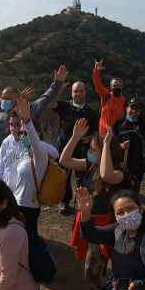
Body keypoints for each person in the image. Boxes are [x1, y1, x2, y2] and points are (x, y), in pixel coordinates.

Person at [60, 120, 129, 290]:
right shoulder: (92, 166)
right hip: (91, 224)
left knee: (93, 271)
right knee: (95, 269)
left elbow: (107, 176)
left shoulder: (119, 172)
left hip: (109, 230)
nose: (90, 152)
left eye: (93, 149)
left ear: (106, 151)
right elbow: (64, 160)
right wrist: (74, 137)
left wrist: (106, 143)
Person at [0, 97, 57, 237]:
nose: (21, 135)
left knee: (30, 239)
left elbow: (53, 152)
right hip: (15, 201)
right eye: (21, 132)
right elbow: (1, 166)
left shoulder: (39, 152)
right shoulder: (24, 152)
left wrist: (28, 121)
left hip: (29, 206)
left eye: (25, 132)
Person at [0, 65, 67, 173]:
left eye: (8, 98)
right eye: (3, 98)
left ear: (17, 97)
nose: (4, 101)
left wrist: (56, 84)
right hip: (0, 169)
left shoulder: (28, 111)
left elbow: (45, 99)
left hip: (23, 169)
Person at [50, 80, 99, 215]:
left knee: (83, 177)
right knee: (63, 176)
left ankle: (83, 202)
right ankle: (64, 202)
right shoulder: (65, 106)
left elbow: (96, 131)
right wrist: (59, 89)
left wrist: (89, 138)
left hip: (83, 149)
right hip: (65, 147)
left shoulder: (91, 112)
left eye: (81, 91)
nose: (78, 93)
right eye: (75, 91)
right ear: (71, 93)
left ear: (85, 93)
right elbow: (51, 103)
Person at [112, 98, 145, 183]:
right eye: (132, 108)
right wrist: (121, 145)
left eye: (137, 109)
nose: (134, 111)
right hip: (120, 163)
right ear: (126, 108)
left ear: (140, 111)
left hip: (138, 164)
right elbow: (111, 142)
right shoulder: (118, 124)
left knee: (135, 185)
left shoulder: (144, 125)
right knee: (121, 185)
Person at [92, 58, 126, 133]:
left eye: (118, 85)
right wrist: (96, 71)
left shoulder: (124, 101)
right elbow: (98, 84)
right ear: (110, 87)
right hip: (103, 132)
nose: (116, 87)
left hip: (116, 134)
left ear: (121, 87)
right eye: (114, 86)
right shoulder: (106, 95)